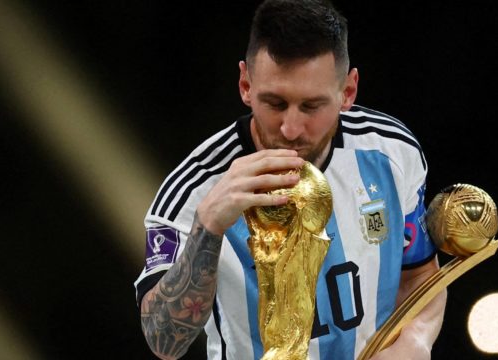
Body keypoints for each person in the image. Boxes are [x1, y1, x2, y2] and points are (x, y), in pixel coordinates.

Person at [134, 0, 447, 359]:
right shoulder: (193, 191)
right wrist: (208, 227)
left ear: (348, 91)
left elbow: (421, 277)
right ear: (245, 84)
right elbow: (163, 341)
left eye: (312, 106)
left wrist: (415, 341)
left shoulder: (392, 153)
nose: (291, 129)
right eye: (275, 103)